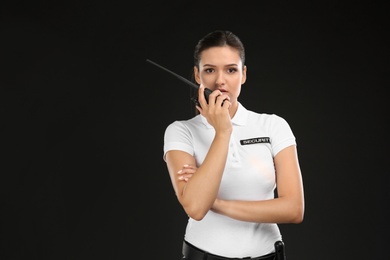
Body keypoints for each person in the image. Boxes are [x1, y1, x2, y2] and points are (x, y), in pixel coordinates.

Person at [163, 30, 304, 260]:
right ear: (197, 76)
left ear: (243, 74)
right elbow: (197, 208)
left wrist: (216, 203)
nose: (220, 80)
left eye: (231, 70)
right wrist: (223, 131)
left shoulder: (273, 125)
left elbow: (294, 209)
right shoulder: (181, 131)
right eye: (209, 70)